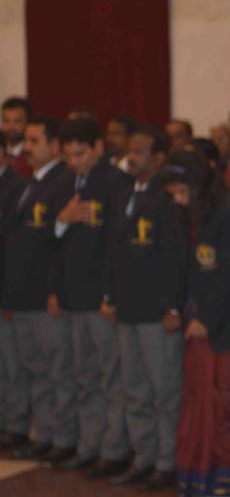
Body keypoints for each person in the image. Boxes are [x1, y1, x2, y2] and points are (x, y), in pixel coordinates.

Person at [161, 150, 230, 497]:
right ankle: (200, 478)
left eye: (183, 193)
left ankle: (229, 482)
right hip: (196, 319)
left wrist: (206, 319)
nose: (179, 201)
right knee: (198, 403)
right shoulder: (191, 213)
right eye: (174, 196)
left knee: (225, 406)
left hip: (223, 326)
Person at [50, 119, 133, 475]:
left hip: (101, 297)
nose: (75, 162)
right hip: (71, 295)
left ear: (98, 147)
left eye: (80, 154)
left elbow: (118, 246)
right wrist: (62, 220)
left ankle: (114, 451)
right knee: (82, 376)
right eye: (68, 156)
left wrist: (110, 295)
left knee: (110, 379)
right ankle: (89, 444)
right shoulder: (64, 182)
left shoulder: (116, 183)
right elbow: (53, 244)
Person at [107, 126, 186, 491]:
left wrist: (174, 304)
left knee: (164, 391)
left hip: (157, 310)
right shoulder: (124, 194)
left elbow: (176, 255)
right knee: (134, 388)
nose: (132, 156)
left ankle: (168, 461)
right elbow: (114, 252)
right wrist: (110, 296)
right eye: (130, 150)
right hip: (128, 308)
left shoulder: (168, 198)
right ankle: (144, 457)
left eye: (140, 151)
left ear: (158, 157)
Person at [3, 117, 75, 464]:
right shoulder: (27, 183)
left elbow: (60, 244)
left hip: (46, 295)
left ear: (55, 145)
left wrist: (54, 289)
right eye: (26, 141)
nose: (27, 148)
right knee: (33, 370)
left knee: (57, 371)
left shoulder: (64, 182)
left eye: (34, 141)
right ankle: (42, 433)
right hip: (22, 293)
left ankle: (63, 438)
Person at [0, 130, 27, 451]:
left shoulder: (17, 187)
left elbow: (13, 246)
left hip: (5, 285)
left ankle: (15, 424)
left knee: (11, 364)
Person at [1, 96, 32, 178]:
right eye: (6, 121)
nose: (10, 127)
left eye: (17, 121)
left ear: (28, 122)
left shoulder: (32, 154)